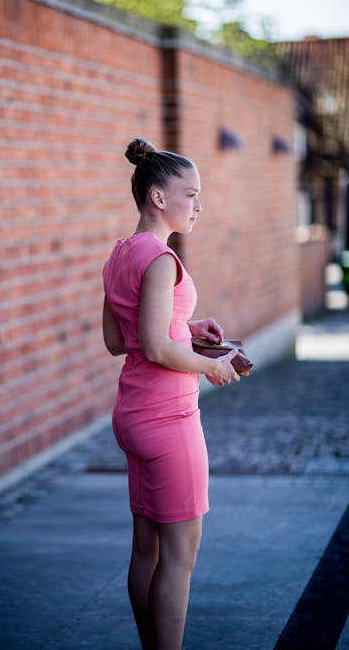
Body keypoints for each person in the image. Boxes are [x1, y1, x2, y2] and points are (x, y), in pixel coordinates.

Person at [102, 138, 240, 650]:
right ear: (159, 198)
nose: (199, 205)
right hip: (168, 419)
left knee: (147, 552)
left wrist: (186, 325)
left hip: (133, 417)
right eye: (192, 194)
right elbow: (156, 345)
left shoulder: (121, 253)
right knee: (180, 555)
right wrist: (210, 365)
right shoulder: (160, 258)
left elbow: (120, 339)